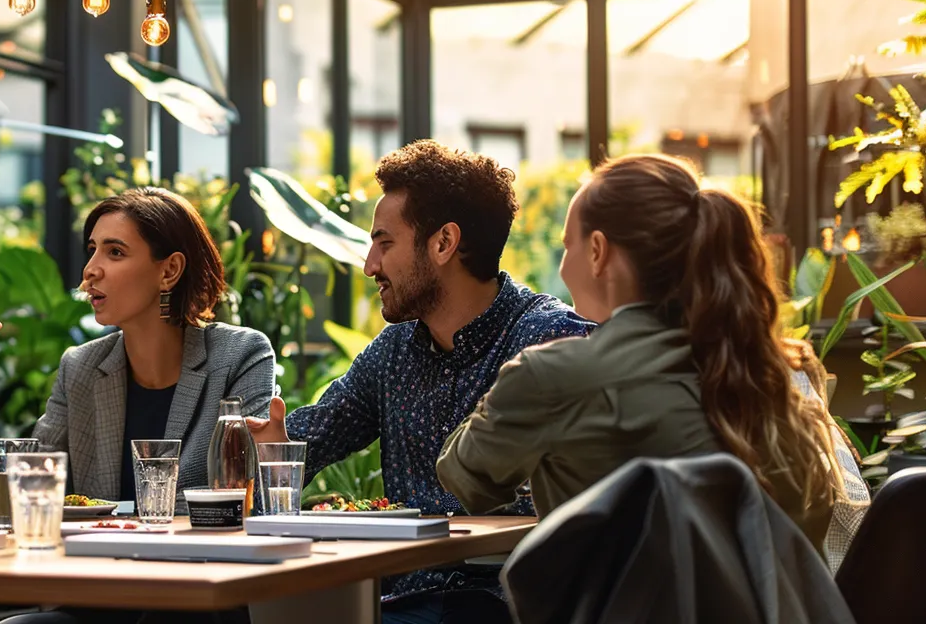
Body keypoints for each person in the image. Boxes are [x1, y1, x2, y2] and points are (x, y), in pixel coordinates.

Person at [435, 153, 866, 564]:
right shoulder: (774, 380)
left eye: (568, 246)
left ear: (599, 252)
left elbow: (464, 476)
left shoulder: (553, 377)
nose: (564, 268)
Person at [247, 140, 594, 624]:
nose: (370, 265)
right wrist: (273, 450)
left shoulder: (551, 339)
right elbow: (304, 442)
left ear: (444, 243)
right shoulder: (393, 353)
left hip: (508, 603)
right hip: (396, 602)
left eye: (385, 243)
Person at [0, 187, 276, 504]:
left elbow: (241, 498)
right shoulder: (81, 367)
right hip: (89, 591)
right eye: (92, 250)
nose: (89, 270)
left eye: (115, 252)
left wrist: (265, 458)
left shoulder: (238, 357)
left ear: (169, 270)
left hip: (196, 593)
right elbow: (23, 491)